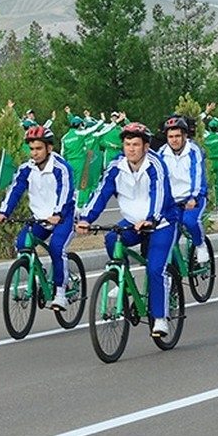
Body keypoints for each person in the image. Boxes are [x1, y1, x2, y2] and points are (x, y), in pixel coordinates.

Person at [77, 123, 180, 337]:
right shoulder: (116, 166)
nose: (131, 149)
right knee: (112, 239)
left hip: (161, 223)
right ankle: (122, 278)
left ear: (146, 146)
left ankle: (160, 318)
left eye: (135, 144)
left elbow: (159, 194)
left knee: (154, 269)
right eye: (127, 144)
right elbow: (101, 193)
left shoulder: (155, 164)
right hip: (132, 221)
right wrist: (86, 218)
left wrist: (151, 219)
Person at [0, 126, 76, 310]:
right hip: (39, 218)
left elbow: (65, 193)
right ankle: (38, 274)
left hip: (63, 218)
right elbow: (15, 190)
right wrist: (3, 212)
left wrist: (58, 214)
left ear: (49, 148)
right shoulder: (27, 168)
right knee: (22, 244)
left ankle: (60, 292)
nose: (34, 153)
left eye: (38, 148)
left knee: (56, 248)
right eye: (31, 149)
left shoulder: (61, 168)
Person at [158, 116, 210, 264]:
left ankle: (200, 245)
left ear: (185, 136)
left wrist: (194, 197)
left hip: (194, 198)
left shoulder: (194, 150)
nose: (174, 140)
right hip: (172, 202)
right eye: (170, 136)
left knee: (190, 221)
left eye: (177, 136)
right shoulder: (162, 153)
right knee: (165, 234)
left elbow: (197, 174)